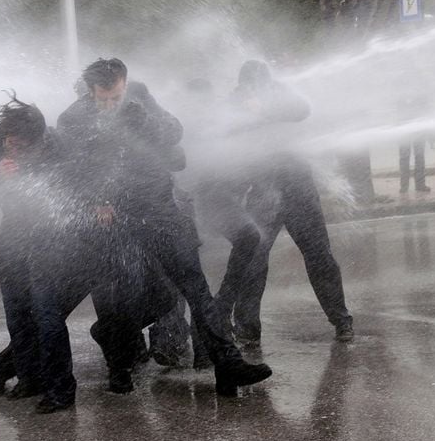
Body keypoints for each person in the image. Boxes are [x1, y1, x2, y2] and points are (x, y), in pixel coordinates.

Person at [34, 58, 270, 413]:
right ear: (90, 91)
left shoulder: (141, 97)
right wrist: (98, 199)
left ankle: (227, 365)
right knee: (119, 296)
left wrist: (144, 122)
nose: (110, 105)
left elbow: (173, 133)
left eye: (116, 97)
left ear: (125, 83)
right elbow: (73, 170)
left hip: (160, 207)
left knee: (195, 285)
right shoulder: (73, 118)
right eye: (103, 99)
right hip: (115, 218)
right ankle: (118, 365)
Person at [160, 61, 353, 347]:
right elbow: (221, 134)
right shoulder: (234, 101)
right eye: (250, 88)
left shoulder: (280, 94)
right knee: (253, 260)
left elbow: (302, 109)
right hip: (262, 190)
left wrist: (263, 109)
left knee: (319, 256)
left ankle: (341, 320)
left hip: (298, 189)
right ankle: (247, 327)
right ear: (242, 86)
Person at [0, 97, 62, 398]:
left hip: (54, 237)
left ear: (38, 141)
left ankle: (54, 384)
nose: (13, 150)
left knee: (47, 316)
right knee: (17, 315)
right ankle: (28, 378)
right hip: (14, 232)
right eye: (10, 144)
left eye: (21, 147)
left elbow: (78, 180)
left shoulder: (57, 144)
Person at [398, 94, 433, 192]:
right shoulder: (417, 92)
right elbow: (426, 109)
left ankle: (407, 186)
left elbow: (426, 109)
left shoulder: (403, 92)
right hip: (409, 127)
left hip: (413, 127)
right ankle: (413, 185)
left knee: (412, 157)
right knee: (415, 157)